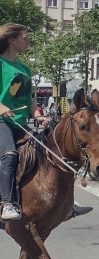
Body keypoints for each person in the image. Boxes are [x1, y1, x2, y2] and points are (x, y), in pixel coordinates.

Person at [0, 24, 50, 221]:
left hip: (19, 122)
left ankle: (61, 202)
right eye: (25, 38)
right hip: (1, 122)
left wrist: (37, 114)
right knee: (10, 155)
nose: (27, 41)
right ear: (12, 40)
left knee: (46, 152)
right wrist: (2, 108)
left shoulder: (25, 69)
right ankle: (6, 203)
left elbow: (29, 100)